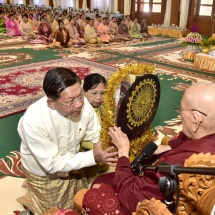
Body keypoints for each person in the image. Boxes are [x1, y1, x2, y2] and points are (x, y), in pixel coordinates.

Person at [82, 82, 215, 215]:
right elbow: (179, 144)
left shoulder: (180, 163)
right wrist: (164, 148)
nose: (179, 115)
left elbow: (132, 198)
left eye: (181, 109)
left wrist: (123, 152)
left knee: (97, 187)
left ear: (196, 119)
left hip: (145, 200)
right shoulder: (205, 141)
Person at [17, 67, 118, 214]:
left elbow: (96, 133)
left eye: (80, 96)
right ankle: (32, 197)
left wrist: (108, 143)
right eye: (70, 101)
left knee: (82, 197)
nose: (79, 104)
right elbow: (51, 164)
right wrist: (93, 156)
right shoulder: (33, 121)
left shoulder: (84, 106)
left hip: (72, 163)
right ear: (52, 103)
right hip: (45, 172)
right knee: (54, 210)